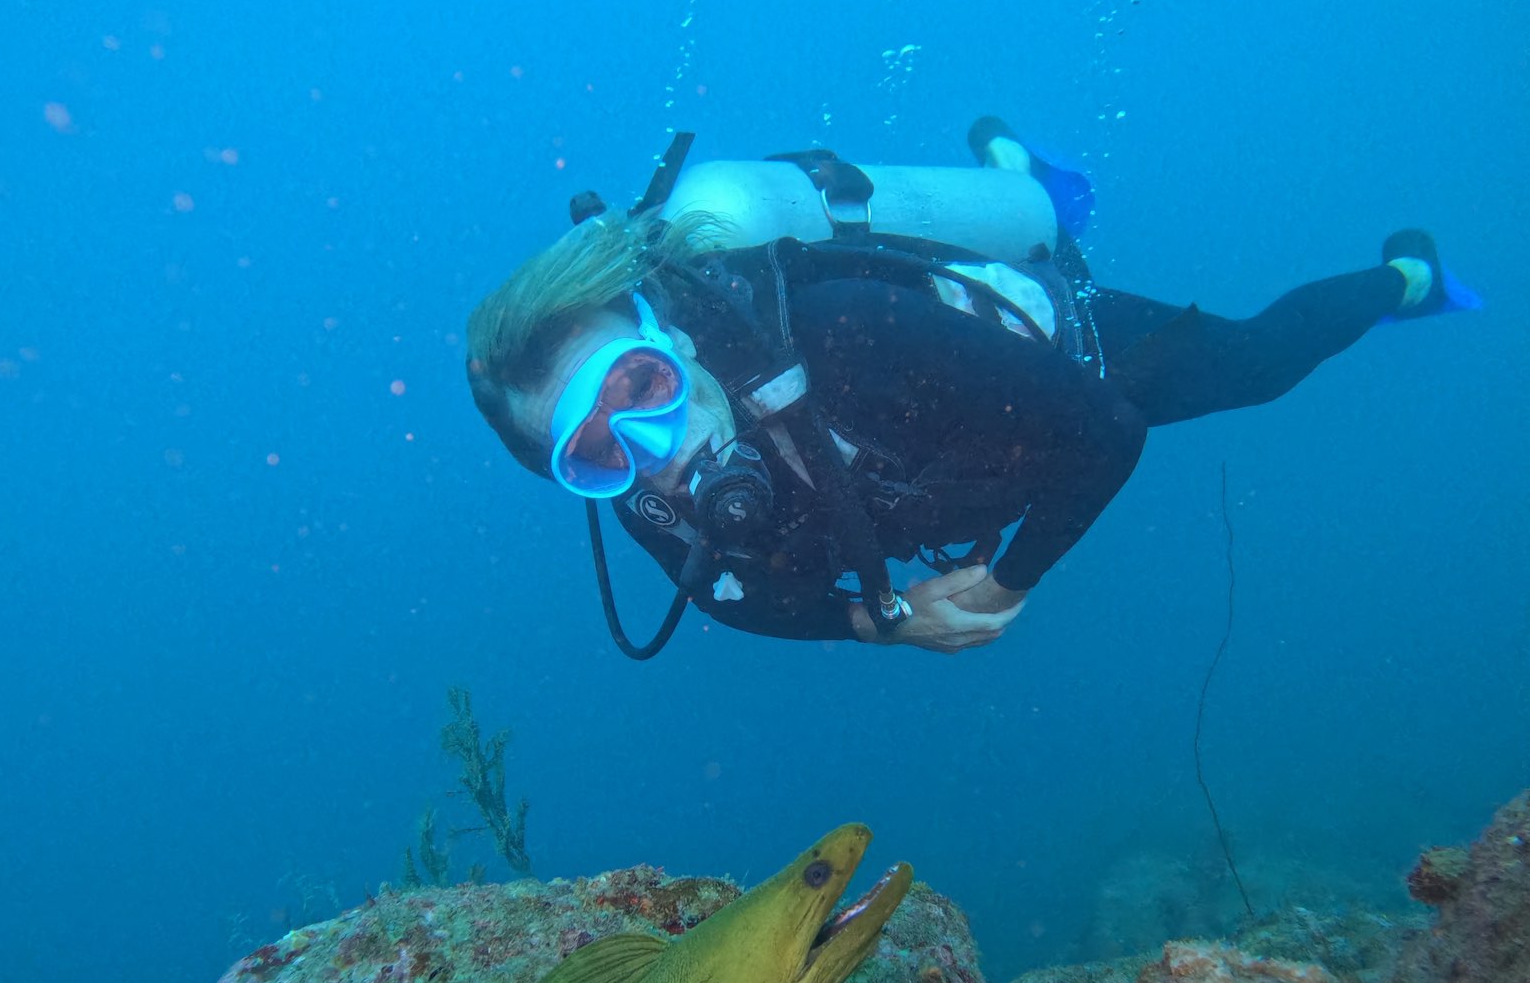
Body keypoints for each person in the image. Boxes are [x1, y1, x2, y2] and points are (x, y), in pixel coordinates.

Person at [466, 118, 1479, 658]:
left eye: (636, 384)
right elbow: (749, 603)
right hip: (957, 448)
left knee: (1254, 366)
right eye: (593, 450)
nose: (650, 444)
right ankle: (1011, 162)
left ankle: (1408, 276)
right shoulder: (653, 506)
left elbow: (1105, 432)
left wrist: (1000, 588)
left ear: (669, 335)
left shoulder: (840, 328)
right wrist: (879, 623)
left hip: (1058, 353)